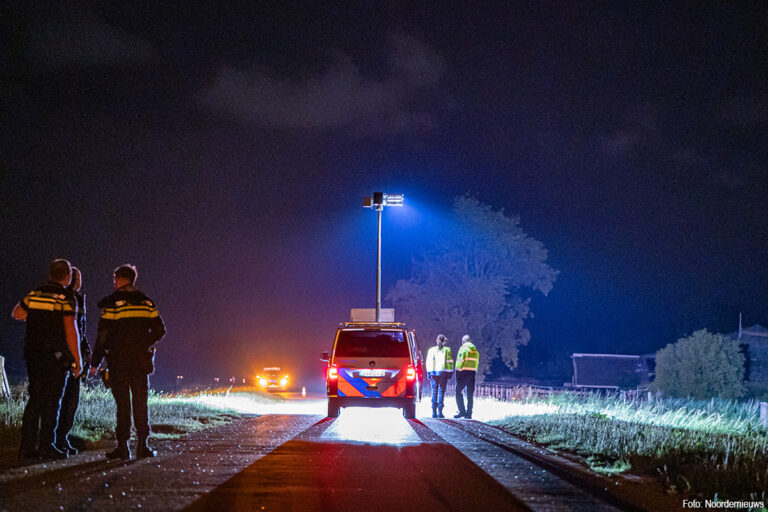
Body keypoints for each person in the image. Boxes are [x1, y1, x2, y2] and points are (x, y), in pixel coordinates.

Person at [91, 264, 165, 459]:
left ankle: (123, 447)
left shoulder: (112, 304)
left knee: (122, 404)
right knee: (140, 403)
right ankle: (143, 446)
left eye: (115, 279)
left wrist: (95, 362)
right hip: (140, 361)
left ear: (121, 279)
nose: (114, 283)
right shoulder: (146, 302)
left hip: (118, 362)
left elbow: (102, 335)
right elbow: (160, 330)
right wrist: (143, 343)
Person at [11, 259, 82, 460]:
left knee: (35, 399)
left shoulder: (35, 293)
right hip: (55, 357)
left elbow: (17, 313)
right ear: (67, 277)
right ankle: (46, 446)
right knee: (52, 401)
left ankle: (26, 447)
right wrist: (77, 361)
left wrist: (38, 318)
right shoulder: (66, 297)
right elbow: (71, 331)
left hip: (33, 354)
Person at [56, 267, 92, 455]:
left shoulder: (78, 299)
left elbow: (81, 331)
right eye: (77, 278)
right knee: (65, 400)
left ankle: (61, 438)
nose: (79, 282)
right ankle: (57, 439)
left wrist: (86, 350)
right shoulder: (68, 300)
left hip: (73, 355)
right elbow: (72, 330)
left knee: (69, 401)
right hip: (67, 357)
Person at [425, 334, 453, 418]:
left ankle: (434, 412)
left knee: (434, 391)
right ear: (444, 341)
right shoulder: (447, 350)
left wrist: (428, 373)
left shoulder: (431, 350)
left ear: (436, 340)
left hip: (433, 373)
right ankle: (440, 412)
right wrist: (450, 373)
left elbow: (428, 362)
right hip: (443, 373)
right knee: (441, 392)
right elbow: (450, 363)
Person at [454, 334, 479, 419]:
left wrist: (457, 374)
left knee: (458, 391)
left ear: (463, 342)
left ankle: (462, 411)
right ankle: (469, 413)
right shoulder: (475, 351)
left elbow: (460, 362)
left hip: (463, 373)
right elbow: (476, 363)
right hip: (472, 373)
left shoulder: (463, 349)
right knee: (470, 394)